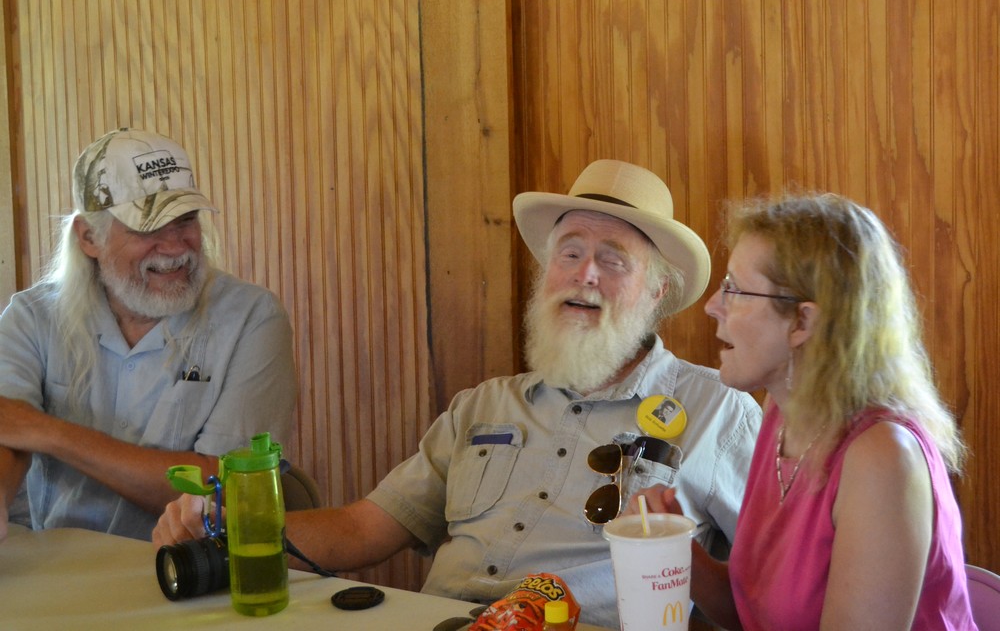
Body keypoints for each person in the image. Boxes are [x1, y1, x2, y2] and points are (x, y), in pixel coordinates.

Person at [153, 159, 761, 628]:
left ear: (656, 292)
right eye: (570, 253)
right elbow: (364, 528)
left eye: (614, 260)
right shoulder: (483, 405)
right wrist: (231, 531)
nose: (585, 274)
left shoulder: (718, 411)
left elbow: (764, 594)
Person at [633, 192, 978, 630]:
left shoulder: (881, 458)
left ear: (803, 322)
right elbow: (754, 615)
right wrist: (675, 545)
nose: (712, 306)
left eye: (734, 289)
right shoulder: (781, 411)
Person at [0, 128, 299, 543]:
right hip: (60, 563)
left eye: (185, 220)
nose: (175, 247)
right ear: (89, 237)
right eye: (147, 228)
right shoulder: (32, 316)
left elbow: (227, 487)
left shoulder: (252, 317)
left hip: (189, 566)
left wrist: (51, 434)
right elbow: (9, 430)